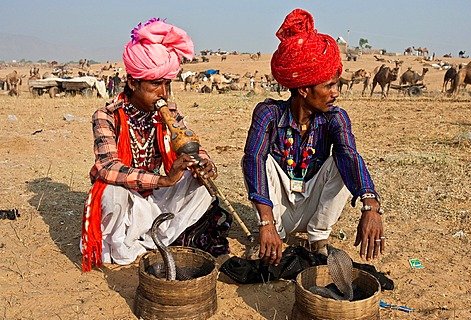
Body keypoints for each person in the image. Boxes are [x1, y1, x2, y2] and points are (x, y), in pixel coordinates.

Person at [242, 9, 385, 266]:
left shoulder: (335, 118)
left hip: (313, 207)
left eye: (336, 84)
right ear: (305, 90)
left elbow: (349, 156)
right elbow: (251, 160)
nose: (336, 93)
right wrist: (266, 222)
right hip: (277, 210)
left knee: (341, 162)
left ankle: (318, 237)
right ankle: (273, 232)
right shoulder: (269, 113)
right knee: (258, 159)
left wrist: (370, 204)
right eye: (329, 86)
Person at [81, 17, 217, 272]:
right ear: (133, 82)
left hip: (155, 200)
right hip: (130, 201)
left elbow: (192, 143)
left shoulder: (168, 114)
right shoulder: (106, 116)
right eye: (155, 84)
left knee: (200, 187)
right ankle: (121, 250)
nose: (163, 93)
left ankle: (155, 243)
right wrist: (164, 180)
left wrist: (204, 163)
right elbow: (108, 167)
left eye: (167, 84)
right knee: (112, 192)